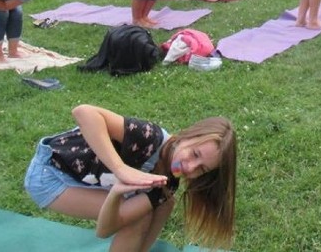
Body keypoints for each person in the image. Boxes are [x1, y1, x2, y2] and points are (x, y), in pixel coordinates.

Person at [24, 104, 236, 251]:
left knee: (160, 205)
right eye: (195, 154)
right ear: (188, 135)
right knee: (138, 218)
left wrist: (117, 193)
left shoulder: (169, 182)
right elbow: (84, 112)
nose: (190, 168)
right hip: (50, 174)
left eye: (202, 169)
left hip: (86, 179)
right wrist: (119, 169)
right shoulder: (149, 137)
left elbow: (105, 229)